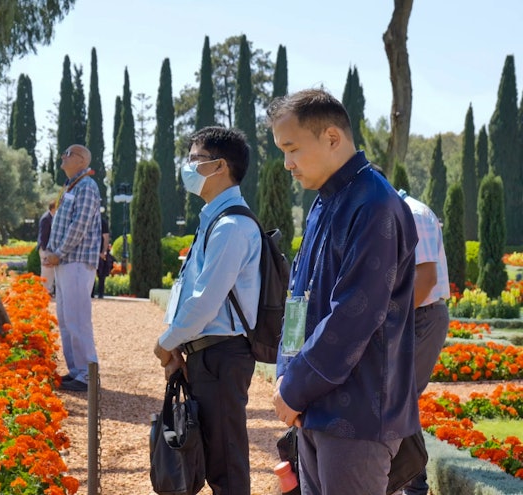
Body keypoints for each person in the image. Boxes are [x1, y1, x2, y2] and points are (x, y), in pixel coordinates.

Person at [267, 88, 420, 495]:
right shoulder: (326, 202)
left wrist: (295, 386)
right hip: (317, 407)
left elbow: (355, 314)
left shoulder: (374, 204)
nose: (287, 164)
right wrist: (288, 379)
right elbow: (300, 298)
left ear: (332, 138)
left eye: (292, 148)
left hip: (358, 414)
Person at [154, 126, 261, 495]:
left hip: (222, 354)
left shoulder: (231, 226)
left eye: (195, 160)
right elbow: (190, 289)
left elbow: (205, 300)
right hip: (207, 354)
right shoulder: (215, 220)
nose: (187, 168)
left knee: (225, 465)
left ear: (220, 166)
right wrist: (179, 344)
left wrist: (166, 342)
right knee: (213, 456)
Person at [398, 190, 451, 495]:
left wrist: (386, 320)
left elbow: (426, 279)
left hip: (423, 315)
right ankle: (406, 483)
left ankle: (414, 487)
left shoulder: (413, 214)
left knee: (398, 400)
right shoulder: (395, 211)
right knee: (396, 400)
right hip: (412, 315)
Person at [42, 144, 102, 392]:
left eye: (68, 154)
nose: (62, 156)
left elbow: (79, 226)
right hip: (66, 262)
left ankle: (88, 375)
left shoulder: (87, 186)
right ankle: (77, 371)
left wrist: (59, 252)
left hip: (75, 261)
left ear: (81, 160)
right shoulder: (72, 186)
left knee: (78, 320)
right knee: (67, 320)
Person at [37, 200, 57, 296]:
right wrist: (45, 250)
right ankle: (45, 291)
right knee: (46, 270)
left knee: (50, 271)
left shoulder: (51, 218)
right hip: (45, 249)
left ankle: (49, 290)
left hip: (49, 249)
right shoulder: (46, 218)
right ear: (53, 208)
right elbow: (43, 236)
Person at [93, 210, 112, 299]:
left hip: (100, 252)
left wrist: (103, 251)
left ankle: (100, 293)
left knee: (101, 275)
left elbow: (106, 237)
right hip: (92, 251)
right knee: (91, 274)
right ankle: (91, 293)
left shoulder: (102, 222)